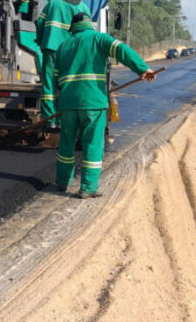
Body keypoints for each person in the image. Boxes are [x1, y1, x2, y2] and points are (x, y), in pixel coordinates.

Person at [54, 12, 156, 198]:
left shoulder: (63, 46)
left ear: (73, 27)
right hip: (93, 103)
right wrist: (142, 68)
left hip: (68, 104)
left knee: (66, 145)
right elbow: (122, 50)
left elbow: (55, 77)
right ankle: (88, 187)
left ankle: (62, 181)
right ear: (89, 25)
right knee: (92, 144)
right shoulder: (99, 38)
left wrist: (57, 100)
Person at [35, 0, 91, 123]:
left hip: (51, 48)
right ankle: (62, 120)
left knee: (49, 84)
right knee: (65, 84)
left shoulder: (53, 3)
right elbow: (87, 34)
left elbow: (40, 23)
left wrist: (41, 42)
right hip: (70, 52)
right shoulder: (83, 7)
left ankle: (49, 120)